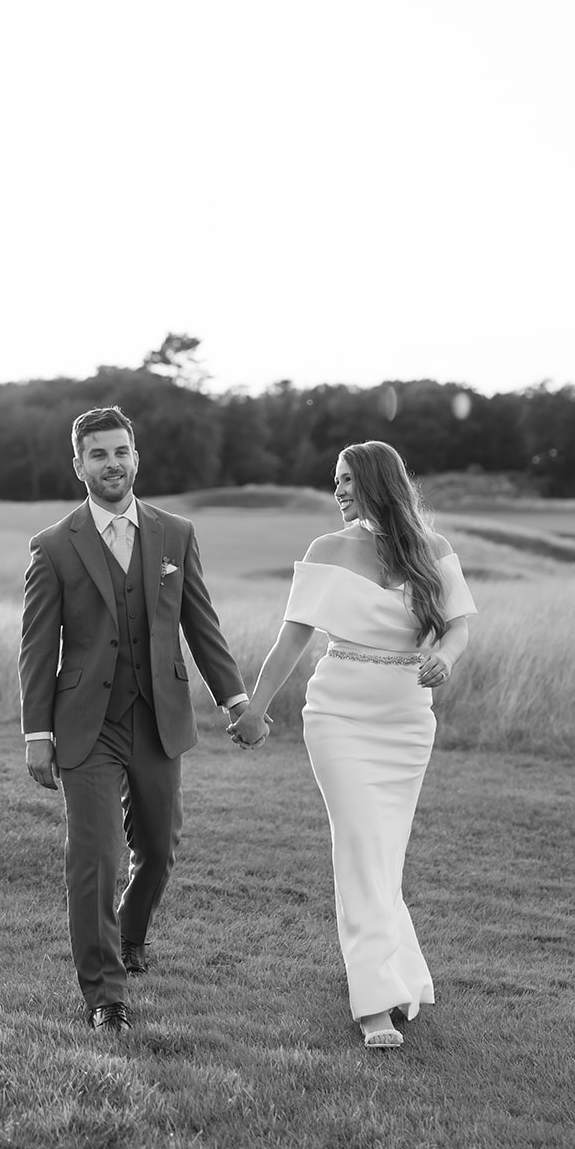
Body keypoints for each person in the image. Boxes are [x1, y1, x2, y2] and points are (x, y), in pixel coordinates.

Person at [230, 440, 477, 1048]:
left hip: (407, 721)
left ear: (377, 482)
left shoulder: (431, 549)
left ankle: (401, 973)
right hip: (338, 715)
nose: (337, 490)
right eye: (333, 480)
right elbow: (292, 640)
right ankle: (373, 1001)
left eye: (346, 480)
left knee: (383, 855)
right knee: (362, 845)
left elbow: (459, 626)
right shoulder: (326, 551)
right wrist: (255, 708)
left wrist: (443, 658)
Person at [19, 405, 251, 1036]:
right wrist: (37, 736)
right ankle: (104, 995)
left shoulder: (174, 534)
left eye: (120, 451)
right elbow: (38, 650)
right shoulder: (53, 546)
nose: (111, 463)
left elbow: (201, 626)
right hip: (85, 725)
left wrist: (235, 700)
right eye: (97, 454)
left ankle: (133, 932)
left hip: (158, 718)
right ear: (79, 466)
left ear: (135, 458)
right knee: (95, 856)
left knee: (157, 847)